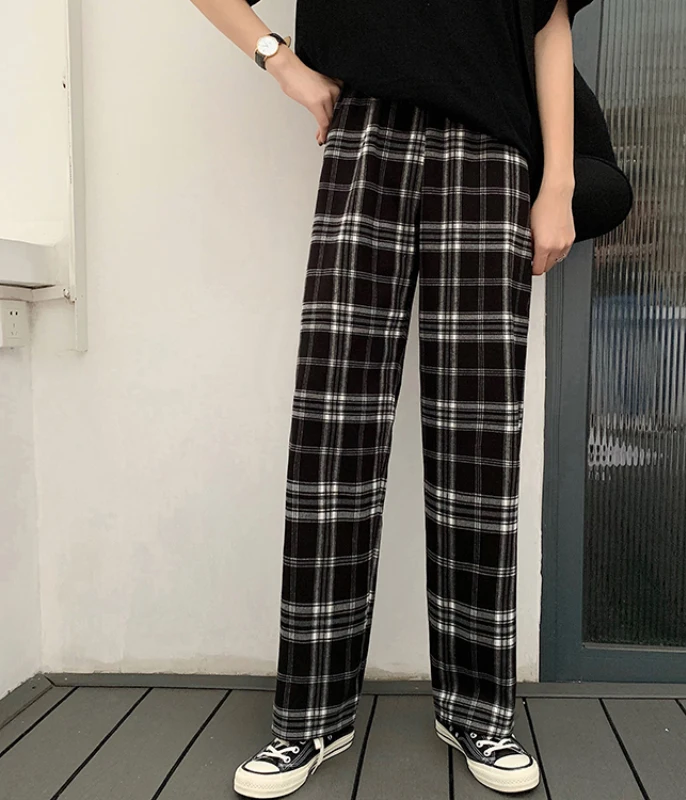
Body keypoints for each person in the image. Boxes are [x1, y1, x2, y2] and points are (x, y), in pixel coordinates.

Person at [187, 1, 624, 797]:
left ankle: (479, 711)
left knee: (477, 443)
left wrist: (558, 182)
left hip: (491, 150)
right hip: (364, 136)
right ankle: (311, 716)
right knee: (333, 433)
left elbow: (547, 20)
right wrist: (280, 62)